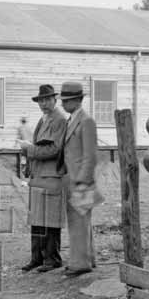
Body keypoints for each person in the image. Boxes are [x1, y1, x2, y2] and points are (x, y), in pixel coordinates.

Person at [18, 85, 68, 273]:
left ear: (55, 100)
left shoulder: (59, 120)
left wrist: (28, 149)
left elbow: (55, 149)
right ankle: (36, 258)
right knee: (37, 217)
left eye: (47, 99)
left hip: (52, 173)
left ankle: (52, 259)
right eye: (41, 100)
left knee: (50, 219)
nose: (44, 103)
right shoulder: (43, 119)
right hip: (39, 174)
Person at [59, 81, 101, 277]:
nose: (63, 104)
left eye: (66, 101)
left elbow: (90, 155)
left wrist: (82, 180)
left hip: (81, 180)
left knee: (79, 222)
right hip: (72, 178)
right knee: (80, 222)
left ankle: (79, 264)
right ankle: (87, 258)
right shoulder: (71, 120)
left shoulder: (86, 121)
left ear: (77, 100)